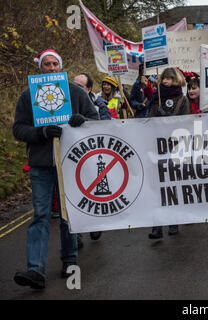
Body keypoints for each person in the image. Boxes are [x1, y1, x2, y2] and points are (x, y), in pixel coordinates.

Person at [12, 49, 99, 289]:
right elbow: (18, 129)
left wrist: (82, 121)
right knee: (40, 215)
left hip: (70, 163)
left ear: (60, 67)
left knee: (67, 214)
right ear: (40, 67)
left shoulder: (76, 93)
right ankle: (35, 270)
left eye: (54, 64)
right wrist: (40, 133)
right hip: (41, 165)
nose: (51, 68)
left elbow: (96, 119)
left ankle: (69, 260)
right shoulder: (27, 96)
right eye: (46, 64)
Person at [148, 67, 190, 239]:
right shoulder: (155, 98)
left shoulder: (182, 99)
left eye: (169, 78)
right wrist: (155, 114)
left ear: (177, 80)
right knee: (157, 187)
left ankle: (174, 221)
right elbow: (148, 121)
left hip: (175, 148)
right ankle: (157, 226)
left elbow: (186, 123)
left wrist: (169, 120)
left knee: (173, 186)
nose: (165, 81)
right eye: (164, 78)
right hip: (157, 147)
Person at [73, 73, 112, 242]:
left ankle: (95, 224)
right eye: (73, 84)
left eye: (79, 86)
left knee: (93, 194)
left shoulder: (99, 104)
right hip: (73, 157)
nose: (74, 89)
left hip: (92, 156)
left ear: (88, 89)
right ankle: (77, 233)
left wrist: (85, 121)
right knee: (74, 196)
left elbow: (104, 126)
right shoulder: (66, 103)